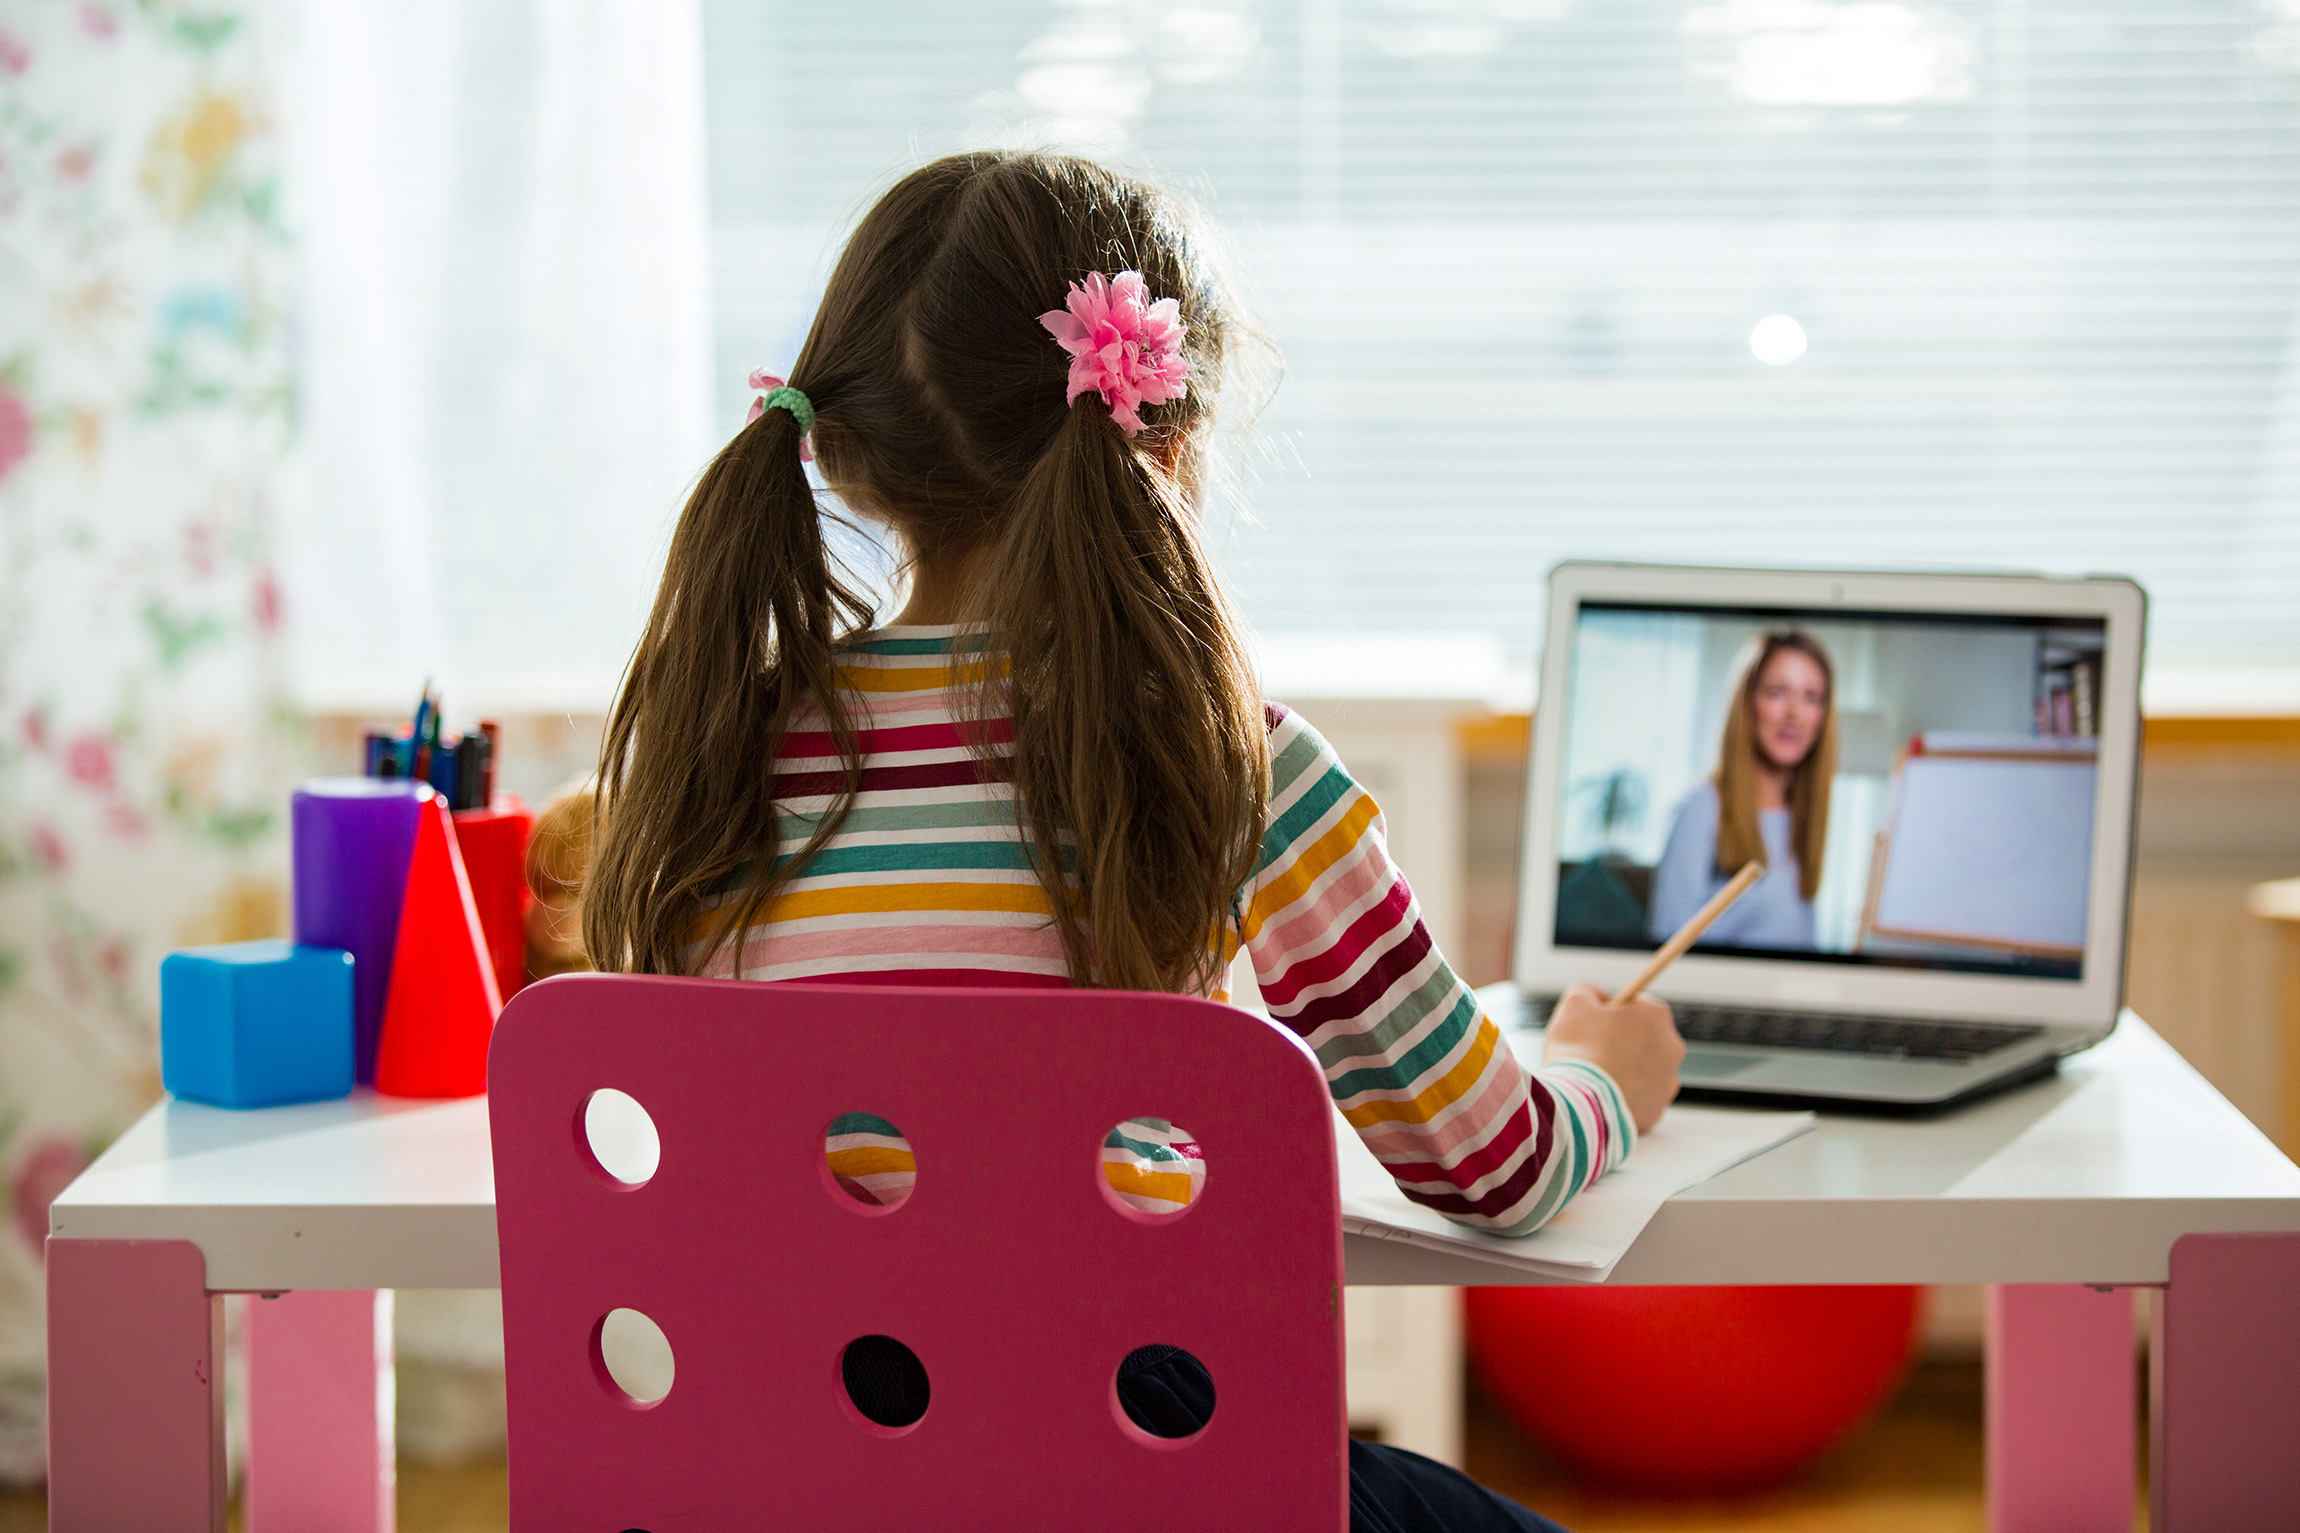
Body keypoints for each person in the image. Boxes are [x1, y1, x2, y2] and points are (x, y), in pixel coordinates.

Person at [582, 150, 1682, 1532]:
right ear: (1169, 432)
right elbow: (1491, 1167)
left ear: (841, 444)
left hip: (776, 1472)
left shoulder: (713, 752)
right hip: (1134, 1471)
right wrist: (1598, 1077)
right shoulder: (1235, 759)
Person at [1649, 631, 1838, 949]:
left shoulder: (1803, 816)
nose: (1794, 713)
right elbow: (1667, 942)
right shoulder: (1701, 807)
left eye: (1811, 697)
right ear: (1748, 702)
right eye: (1777, 692)